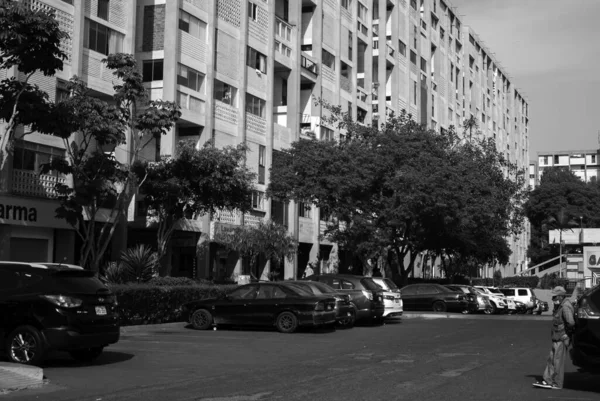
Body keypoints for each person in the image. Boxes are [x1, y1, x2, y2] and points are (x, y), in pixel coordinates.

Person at [533, 286, 576, 390]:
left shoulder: (565, 307)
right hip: (557, 338)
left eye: (554, 297)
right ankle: (548, 380)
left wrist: (566, 335)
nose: (553, 299)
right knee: (552, 360)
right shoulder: (560, 305)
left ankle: (556, 383)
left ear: (561, 297)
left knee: (557, 362)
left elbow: (571, 323)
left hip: (561, 338)